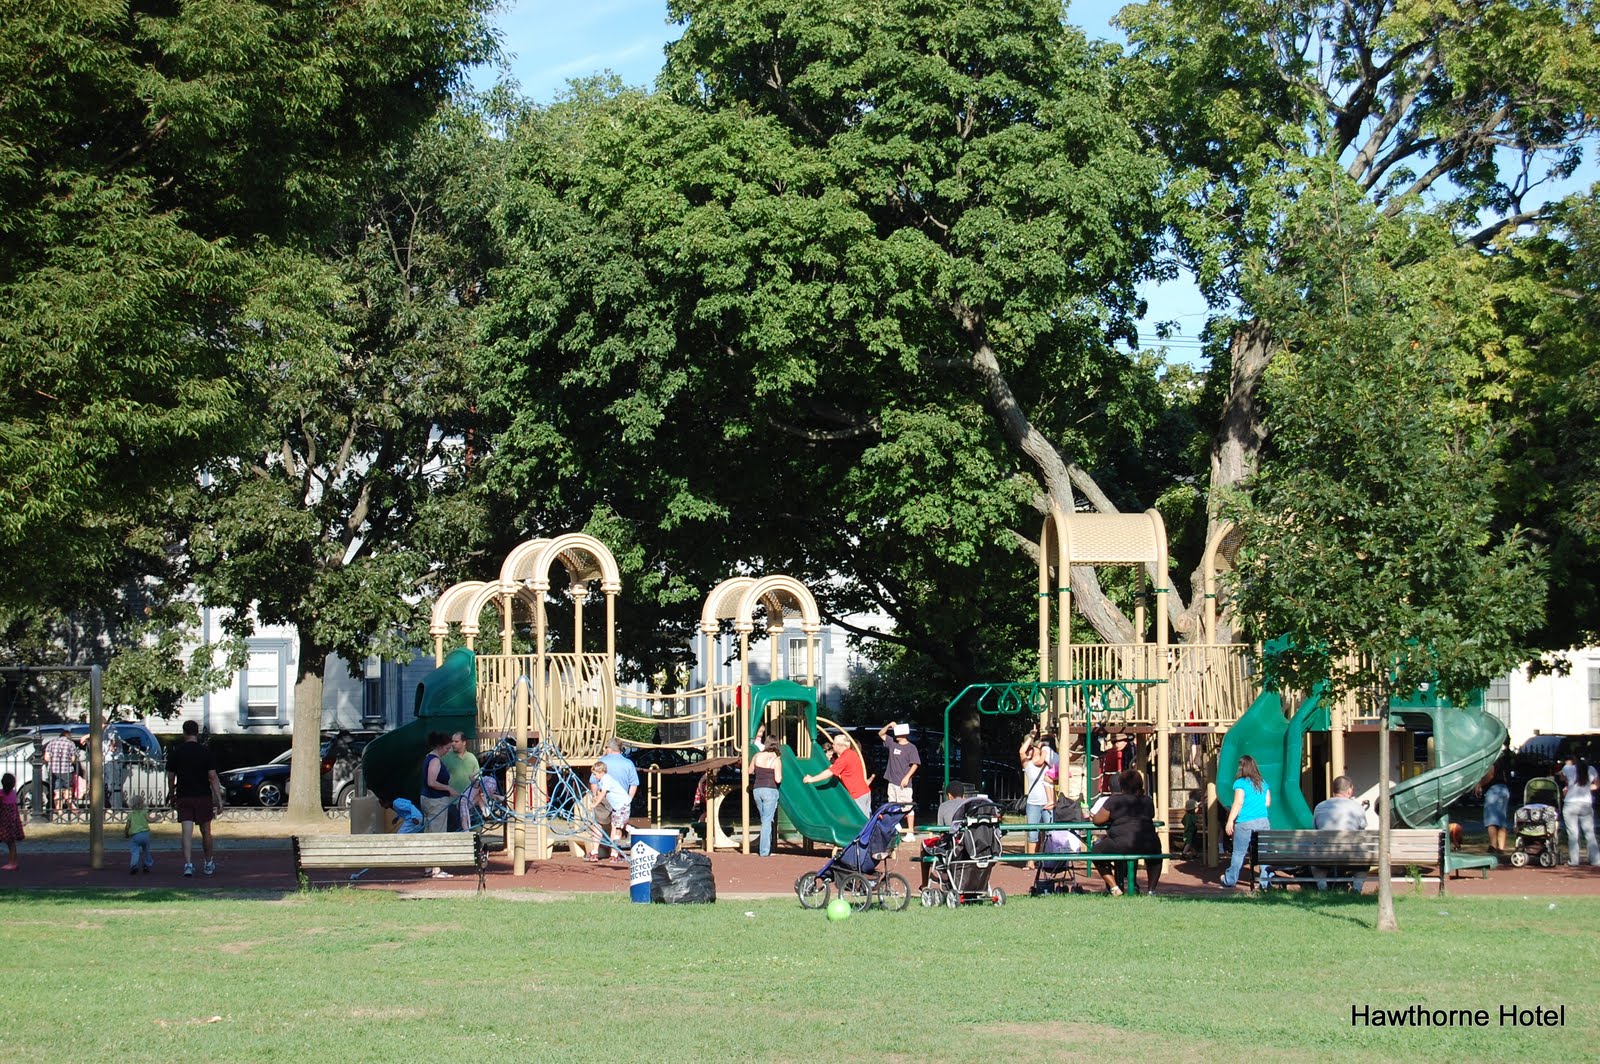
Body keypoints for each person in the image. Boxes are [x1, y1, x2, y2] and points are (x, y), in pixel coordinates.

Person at [1091, 767, 1162, 895]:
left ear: (1121, 785)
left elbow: (1097, 820)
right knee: (1156, 856)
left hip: (1121, 843)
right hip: (1148, 843)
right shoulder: (1147, 800)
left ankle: (1114, 887)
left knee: (1096, 851)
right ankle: (1151, 890)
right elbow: (1151, 815)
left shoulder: (1114, 801)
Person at [166, 719, 224, 877]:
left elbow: (171, 777)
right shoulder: (205, 752)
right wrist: (218, 798)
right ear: (197, 733)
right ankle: (208, 862)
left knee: (186, 832)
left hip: (184, 795)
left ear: (184, 732)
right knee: (206, 831)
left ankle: (188, 864)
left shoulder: (176, 752)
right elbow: (212, 777)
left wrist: (171, 794)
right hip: (203, 795)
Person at [1220, 753, 1271, 889]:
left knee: (1238, 853)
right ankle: (1265, 882)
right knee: (1264, 853)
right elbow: (1267, 802)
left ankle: (1230, 880)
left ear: (1242, 767)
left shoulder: (1240, 783)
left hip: (1245, 822)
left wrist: (1230, 820)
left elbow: (1238, 803)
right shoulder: (1263, 783)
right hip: (1263, 821)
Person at [1311, 775, 1370, 891]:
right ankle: (1356, 889)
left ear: (1334, 790)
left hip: (1324, 854)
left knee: (1316, 862)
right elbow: (1361, 831)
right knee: (1363, 860)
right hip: (1351, 854)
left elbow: (1315, 829)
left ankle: (1322, 887)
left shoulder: (1319, 807)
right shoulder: (1357, 807)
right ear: (1349, 790)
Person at [419, 732, 458, 878]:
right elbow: (431, 782)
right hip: (436, 800)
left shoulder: (429, 757)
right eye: (447, 748)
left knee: (429, 832)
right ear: (440, 747)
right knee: (437, 832)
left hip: (428, 799)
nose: (448, 751)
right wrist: (448, 788)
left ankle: (429, 867)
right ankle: (436, 869)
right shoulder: (434, 760)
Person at [802, 733, 871, 815]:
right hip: (865, 791)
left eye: (834, 744)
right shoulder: (852, 753)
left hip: (857, 795)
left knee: (861, 819)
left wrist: (811, 779)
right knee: (867, 818)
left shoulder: (844, 758)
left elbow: (829, 773)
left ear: (839, 746)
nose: (832, 746)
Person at [595, 737, 639, 858]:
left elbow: (594, 782)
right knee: (617, 826)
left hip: (605, 798)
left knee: (598, 824)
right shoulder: (628, 763)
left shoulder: (602, 762)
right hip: (621, 800)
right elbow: (634, 784)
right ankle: (614, 852)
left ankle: (595, 851)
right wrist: (628, 799)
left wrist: (595, 798)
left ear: (609, 749)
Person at [878, 720, 921, 840]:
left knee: (907, 807)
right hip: (892, 781)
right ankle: (895, 828)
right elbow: (881, 734)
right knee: (892, 805)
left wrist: (907, 777)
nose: (895, 735)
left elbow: (915, 764)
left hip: (903, 784)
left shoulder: (911, 748)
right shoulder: (892, 743)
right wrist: (889, 725)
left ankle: (910, 833)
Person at [587, 760, 631, 865]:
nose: (594, 777)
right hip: (617, 807)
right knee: (616, 826)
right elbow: (600, 792)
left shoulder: (606, 779)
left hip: (622, 805)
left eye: (595, 774)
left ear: (602, 772)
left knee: (617, 828)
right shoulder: (602, 780)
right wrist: (596, 797)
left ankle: (615, 853)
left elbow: (603, 793)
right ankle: (615, 851)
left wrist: (595, 804)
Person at [1019, 726, 1053, 860]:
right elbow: (1021, 752)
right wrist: (1032, 737)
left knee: (1050, 833)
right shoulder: (1029, 766)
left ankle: (1047, 860)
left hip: (1048, 803)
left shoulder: (1050, 765)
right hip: (1033, 803)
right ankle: (1031, 861)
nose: (1032, 751)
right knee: (1033, 834)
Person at [1561, 757, 1598, 866]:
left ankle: (1574, 861)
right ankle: (1596, 860)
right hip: (1586, 803)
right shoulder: (1591, 769)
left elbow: (1562, 778)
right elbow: (1597, 785)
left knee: (1573, 834)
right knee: (1589, 833)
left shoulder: (1568, 768)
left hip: (1570, 803)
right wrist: (1586, 787)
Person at [750, 737, 783, 857]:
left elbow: (749, 771)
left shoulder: (757, 756)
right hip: (770, 790)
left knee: (765, 819)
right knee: (767, 821)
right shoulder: (776, 759)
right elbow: (778, 779)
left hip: (757, 789)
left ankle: (767, 846)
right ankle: (764, 851)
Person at [442, 731, 480, 831]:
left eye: (456, 741)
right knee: (453, 831)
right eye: (452, 741)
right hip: (451, 802)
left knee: (472, 831)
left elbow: (478, 780)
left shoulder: (472, 758)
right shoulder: (446, 757)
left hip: (468, 802)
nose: (453, 744)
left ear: (464, 742)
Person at [43, 731, 79, 820]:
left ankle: (59, 811)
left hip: (54, 771)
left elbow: (46, 758)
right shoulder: (70, 743)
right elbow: (73, 759)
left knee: (57, 792)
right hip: (66, 770)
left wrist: (54, 761)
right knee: (67, 790)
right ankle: (72, 807)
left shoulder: (52, 742)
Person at [1477, 759, 1511, 854]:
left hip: (1494, 790)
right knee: (1501, 820)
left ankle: (1493, 846)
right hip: (1504, 790)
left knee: (1491, 819)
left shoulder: (1491, 760)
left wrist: (1479, 784)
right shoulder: (1501, 761)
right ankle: (1501, 847)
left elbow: (1490, 774)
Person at [125, 793, 153, 874]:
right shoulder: (144, 812)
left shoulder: (131, 815)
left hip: (135, 835)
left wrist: (126, 833)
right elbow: (150, 820)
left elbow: (127, 826)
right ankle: (146, 864)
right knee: (146, 850)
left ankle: (134, 865)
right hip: (145, 834)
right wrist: (156, 817)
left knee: (135, 851)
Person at [0, 772, 23, 870]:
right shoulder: (13, 793)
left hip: (4, 822)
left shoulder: (1, 794)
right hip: (12, 821)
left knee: (10, 843)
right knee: (11, 843)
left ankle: (12, 863)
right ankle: (13, 862)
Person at [103, 731, 125, 811]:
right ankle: (108, 806)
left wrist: (113, 745)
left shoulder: (111, 730)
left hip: (112, 760)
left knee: (112, 784)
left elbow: (114, 739)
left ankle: (115, 807)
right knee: (107, 785)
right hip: (106, 761)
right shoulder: (103, 732)